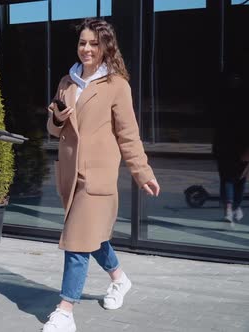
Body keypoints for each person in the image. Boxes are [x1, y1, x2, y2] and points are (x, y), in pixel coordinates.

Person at [44, 18, 160, 332]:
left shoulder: (117, 85)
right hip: (70, 176)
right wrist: (57, 117)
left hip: (97, 176)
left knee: (77, 243)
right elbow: (53, 130)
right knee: (92, 238)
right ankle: (120, 280)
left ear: (106, 47)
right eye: (83, 43)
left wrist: (142, 172)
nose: (86, 49)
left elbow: (128, 134)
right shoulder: (67, 82)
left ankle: (65, 310)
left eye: (94, 44)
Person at [212, 70, 249, 223]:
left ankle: (230, 207)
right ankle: (234, 207)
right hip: (233, 146)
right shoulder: (241, 104)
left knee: (230, 178)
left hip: (230, 146)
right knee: (237, 179)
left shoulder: (224, 102)